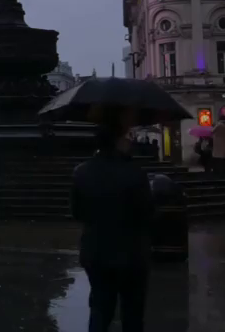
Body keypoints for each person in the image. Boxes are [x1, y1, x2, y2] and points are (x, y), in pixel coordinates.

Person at [71, 111, 154, 332]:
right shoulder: (135, 173)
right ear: (117, 140)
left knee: (100, 309)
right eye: (126, 136)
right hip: (131, 253)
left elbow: (77, 212)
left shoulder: (81, 172)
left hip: (96, 252)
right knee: (132, 313)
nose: (130, 141)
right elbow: (147, 213)